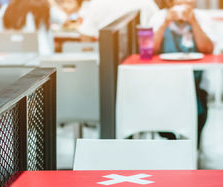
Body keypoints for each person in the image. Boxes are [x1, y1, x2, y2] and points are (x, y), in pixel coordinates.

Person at [149, 0, 214, 148]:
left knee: (199, 109)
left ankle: (191, 146)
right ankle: (171, 143)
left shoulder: (203, 18)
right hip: (162, 82)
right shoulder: (158, 18)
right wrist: (165, 23)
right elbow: (149, 50)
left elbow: (207, 48)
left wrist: (194, 22)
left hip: (195, 82)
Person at [0, 0, 67, 55]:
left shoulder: (7, 8)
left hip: (15, 54)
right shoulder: (42, 6)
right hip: (41, 53)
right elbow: (62, 18)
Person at [78, 0, 158, 40]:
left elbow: (86, 36)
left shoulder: (97, 2)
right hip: (138, 59)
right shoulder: (146, 2)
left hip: (104, 61)